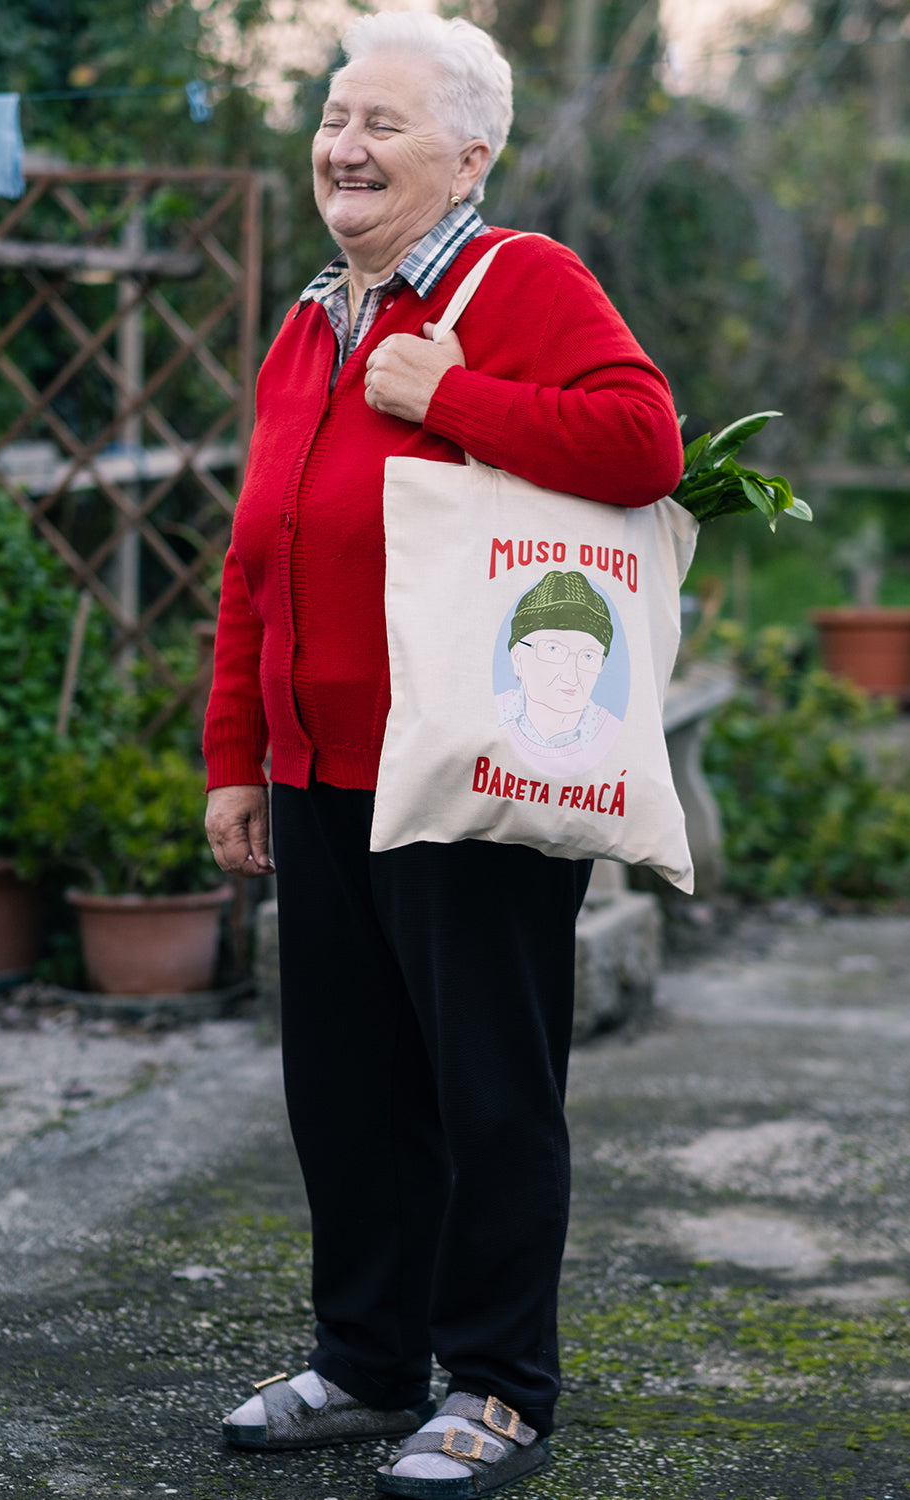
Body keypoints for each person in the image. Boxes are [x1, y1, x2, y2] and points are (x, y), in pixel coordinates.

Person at [203, 12, 683, 1496]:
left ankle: (498, 1387)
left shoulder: (521, 281)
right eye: (333, 118)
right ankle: (365, 1363)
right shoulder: (311, 321)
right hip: (322, 773)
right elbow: (256, 556)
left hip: (471, 769)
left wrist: (444, 397)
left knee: (487, 1093)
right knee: (346, 1091)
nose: (343, 147)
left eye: (382, 124)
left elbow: (645, 443)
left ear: (470, 157)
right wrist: (237, 754)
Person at [497, 570, 622, 777]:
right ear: (517, 656)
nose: (571, 677)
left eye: (588, 656)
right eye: (553, 649)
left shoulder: (618, 735)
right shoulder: (484, 715)